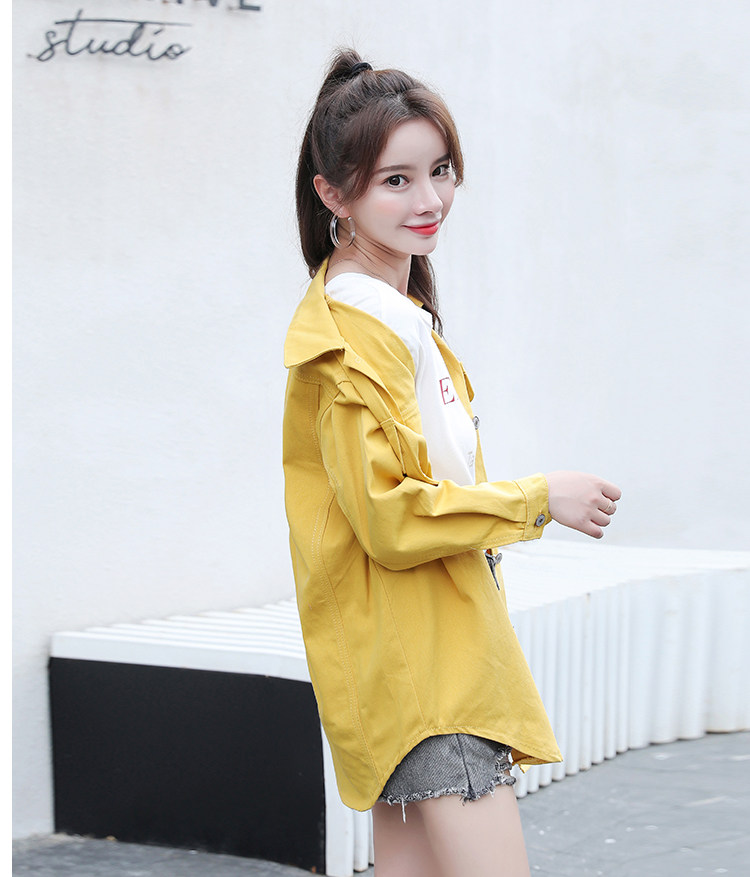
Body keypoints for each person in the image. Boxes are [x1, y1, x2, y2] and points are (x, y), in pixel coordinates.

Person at [283, 49, 621, 877]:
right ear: (334, 194)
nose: (430, 199)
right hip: (429, 671)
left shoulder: (390, 317)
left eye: (439, 170)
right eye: (395, 181)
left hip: (418, 661)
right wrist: (540, 497)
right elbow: (390, 516)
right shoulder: (353, 337)